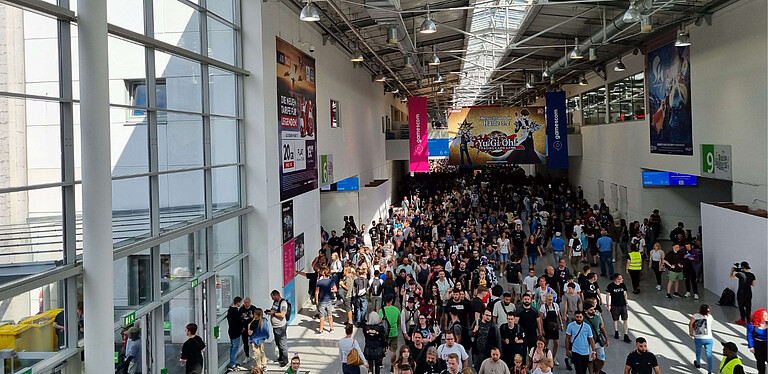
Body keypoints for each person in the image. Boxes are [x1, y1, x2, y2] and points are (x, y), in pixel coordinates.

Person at [605, 273, 631, 343]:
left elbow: (625, 294)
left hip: (622, 305)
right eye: (620, 278)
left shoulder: (623, 285)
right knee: (615, 319)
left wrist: (626, 302)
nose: (622, 280)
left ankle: (625, 334)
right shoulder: (611, 286)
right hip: (615, 305)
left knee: (625, 320)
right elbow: (607, 295)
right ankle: (616, 331)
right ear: (617, 279)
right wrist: (607, 305)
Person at [584, 301, 609, 374]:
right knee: (590, 360)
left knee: (602, 359)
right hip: (588, 344)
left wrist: (606, 338)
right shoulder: (583, 320)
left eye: (593, 309)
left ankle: (597, 372)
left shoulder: (597, 318)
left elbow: (602, 328)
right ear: (586, 311)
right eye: (591, 310)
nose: (593, 311)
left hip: (598, 342)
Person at [537, 293, 562, 366]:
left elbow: (559, 315)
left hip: (554, 327)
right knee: (546, 343)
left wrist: (561, 324)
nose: (550, 301)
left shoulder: (555, 306)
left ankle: (553, 358)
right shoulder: (543, 307)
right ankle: (545, 357)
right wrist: (542, 330)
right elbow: (541, 319)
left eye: (551, 300)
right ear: (546, 300)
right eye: (549, 300)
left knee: (556, 343)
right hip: (547, 327)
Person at [267, 290, 290, 367]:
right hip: (275, 326)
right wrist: (269, 311)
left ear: (276, 295)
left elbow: (282, 314)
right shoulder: (275, 302)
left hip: (280, 326)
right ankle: (281, 357)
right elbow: (273, 309)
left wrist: (273, 313)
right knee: (278, 343)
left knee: (282, 343)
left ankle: (285, 360)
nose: (272, 298)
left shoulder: (283, 303)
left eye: (272, 297)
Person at [689, 304, 714, 373]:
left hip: (698, 338)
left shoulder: (695, 316)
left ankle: (698, 363)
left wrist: (691, 332)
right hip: (709, 338)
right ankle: (710, 370)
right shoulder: (710, 317)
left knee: (698, 351)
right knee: (709, 354)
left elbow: (691, 323)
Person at [380, 295, 401, 372]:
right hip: (394, 333)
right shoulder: (396, 310)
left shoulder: (382, 310)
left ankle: (380, 362)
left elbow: (380, 321)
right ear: (392, 301)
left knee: (382, 348)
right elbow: (399, 320)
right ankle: (392, 366)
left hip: (385, 333)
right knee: (393, 351)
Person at [315, 267, 337, 334]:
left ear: (323, 273)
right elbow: (335, 289)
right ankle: (331, 328)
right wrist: (330, 290)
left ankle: (321, 330)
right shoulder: (331, 281)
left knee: (322, 316)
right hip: (329, 300)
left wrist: (316, 301)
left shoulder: (319, 282)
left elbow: (316, 292)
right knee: (330, 315)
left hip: (321, 301)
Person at [226, 297, 244, 371]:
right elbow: (238, 322)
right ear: (238, 302)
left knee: (232, 347)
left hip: (231, 331)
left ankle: (232, 362)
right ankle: (232, 364)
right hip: (236, 332)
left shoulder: (230, 310)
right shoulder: (236, 312)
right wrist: (242, 328)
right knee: (235, 349)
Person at [747, 309, 768, 374]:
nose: (767, 317)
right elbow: (749, 336)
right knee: (760, 362)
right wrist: (751, 346)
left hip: (766, 344)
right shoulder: (753, 325)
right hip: (758, 345)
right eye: (765, 315)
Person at [239, 297, 257, 363]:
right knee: (245, 343)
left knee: (254, 342)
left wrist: (253, 317)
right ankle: (247, 356)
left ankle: (256, 355)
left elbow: (258, 317)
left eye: (248, 302)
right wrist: (242, 316)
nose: (247, 304)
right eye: (245, 303)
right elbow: (238, 318)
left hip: (252, 328)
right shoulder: (241, 309)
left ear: (250, 302)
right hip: (244, 328)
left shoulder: (253, 308)